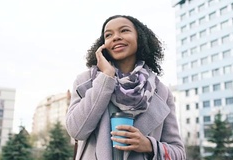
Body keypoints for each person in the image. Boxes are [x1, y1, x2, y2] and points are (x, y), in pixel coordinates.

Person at [65, 15, 186, 160]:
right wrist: (106, 78)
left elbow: (178, 153)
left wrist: (148, 145)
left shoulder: (161, 92)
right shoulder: (86, 81)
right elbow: (76, 130)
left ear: (139, 38)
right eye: (108, 35)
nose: (116, 37)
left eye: (124, 30)